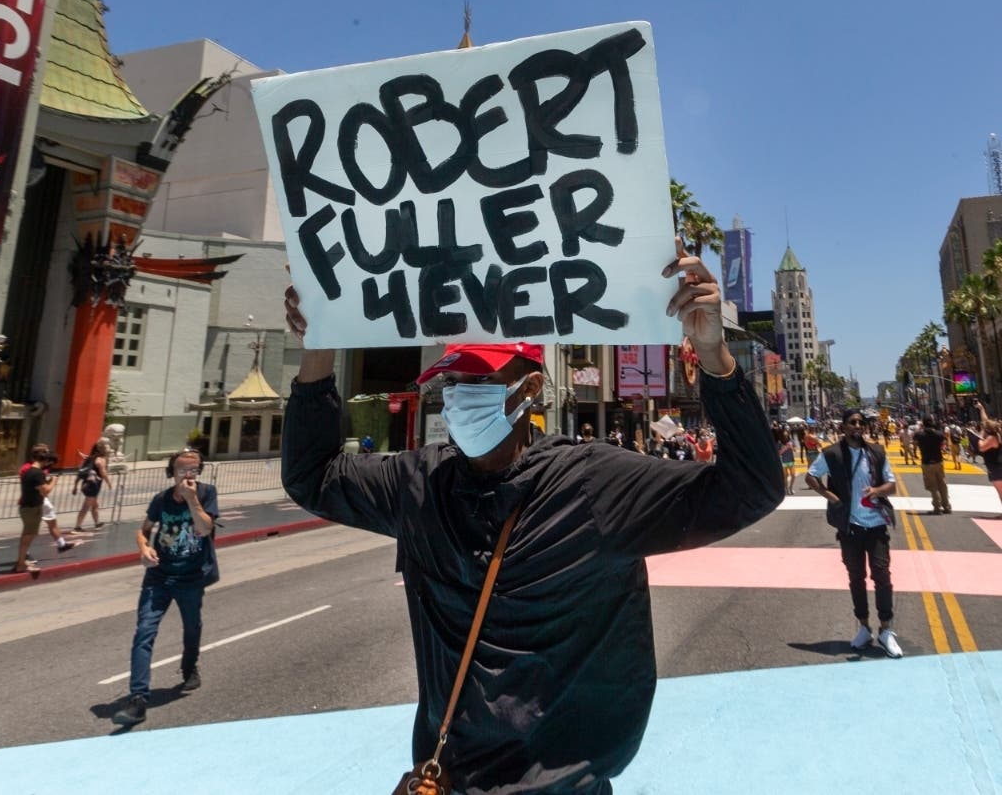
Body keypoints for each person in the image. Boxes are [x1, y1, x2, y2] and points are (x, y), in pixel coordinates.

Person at [281, 245, 784, 794]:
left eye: (480, 380)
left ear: (532, 388)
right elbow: (314, 477)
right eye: (453, 384)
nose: (460, 398)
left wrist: (714, 356)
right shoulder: (419, 484)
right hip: (449, 781)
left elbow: (750, 489)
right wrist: (319, 353)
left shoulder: (593, 484)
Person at [112, 448, 219, 727]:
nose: (187, 475)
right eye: (181, 469)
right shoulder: (160, 500)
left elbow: (206, 528)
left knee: (192, 626)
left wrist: (192, 499)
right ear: (171, 472)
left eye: (192, 470)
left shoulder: (206, 493)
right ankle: (138, 698)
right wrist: (143, 547)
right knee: (144, 632)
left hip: (191, 576)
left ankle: (189, 666)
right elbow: (143, 529)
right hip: (159, 576)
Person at [805, 408, 902, 658]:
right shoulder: (832, 454)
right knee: (856, 577)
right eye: (853, 422)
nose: (858, 426)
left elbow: (892, 485)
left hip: (876, 525)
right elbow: (811, 476)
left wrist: (878, 491)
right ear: (844, 427)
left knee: (882, 574)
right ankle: (863, 627)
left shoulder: (877, 452)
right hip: (850, 528)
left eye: (861, 422)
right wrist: (830, 496)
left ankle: (886, 629)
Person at [14, 445, 75, 573]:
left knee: (29, 534)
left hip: (29, 506)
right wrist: (53, 481)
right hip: (31, 508)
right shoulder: (37, 473)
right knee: (28, 535)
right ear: (44, 460)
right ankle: (21, 563)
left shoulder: (30, 470)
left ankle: (22, 561)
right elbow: (46, 491)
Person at [72, 438, 112, 531]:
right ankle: (78, 526)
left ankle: (97, 523)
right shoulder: (101, 460)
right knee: (86, 506)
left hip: (86, 484)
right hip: (93, 485)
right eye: (105, 448)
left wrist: (75, 485)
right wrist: (109, 483)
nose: (107, 450)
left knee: (95, 505)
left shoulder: (89, 458)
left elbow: (81, 472)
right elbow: (103, 472)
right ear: (102, 450)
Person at [915, 416, 951, 515]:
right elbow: (944, 442)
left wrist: (919, 427)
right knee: (942, 484)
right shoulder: (939, 434)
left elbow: (914, 438)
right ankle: (946, 506)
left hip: (927, 462)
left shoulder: (920, 434)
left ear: (923, 424)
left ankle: (937, 507)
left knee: (932, 486)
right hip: (938, 461)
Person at [973, 401, 1002, 504]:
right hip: (996, 466)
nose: (983, 428)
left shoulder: (992, 438)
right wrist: (981, 409)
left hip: (996, 468)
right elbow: (985, 421)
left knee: (1001, 492)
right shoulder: (997, 434)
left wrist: (980, 436)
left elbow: (981, 447)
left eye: (984, 428)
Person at [778, 429, 796, 495]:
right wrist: (785, 448)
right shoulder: (780, 442)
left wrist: (791, 447)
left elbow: (795, 450)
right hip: (783, 461)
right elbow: (779, 453)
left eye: (787, 434)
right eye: (784, 435)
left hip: (791, 460)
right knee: (785, 476)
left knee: (793, 475)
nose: (786, 435)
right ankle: (786, 489)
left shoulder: (791, 441)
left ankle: (791, 488)